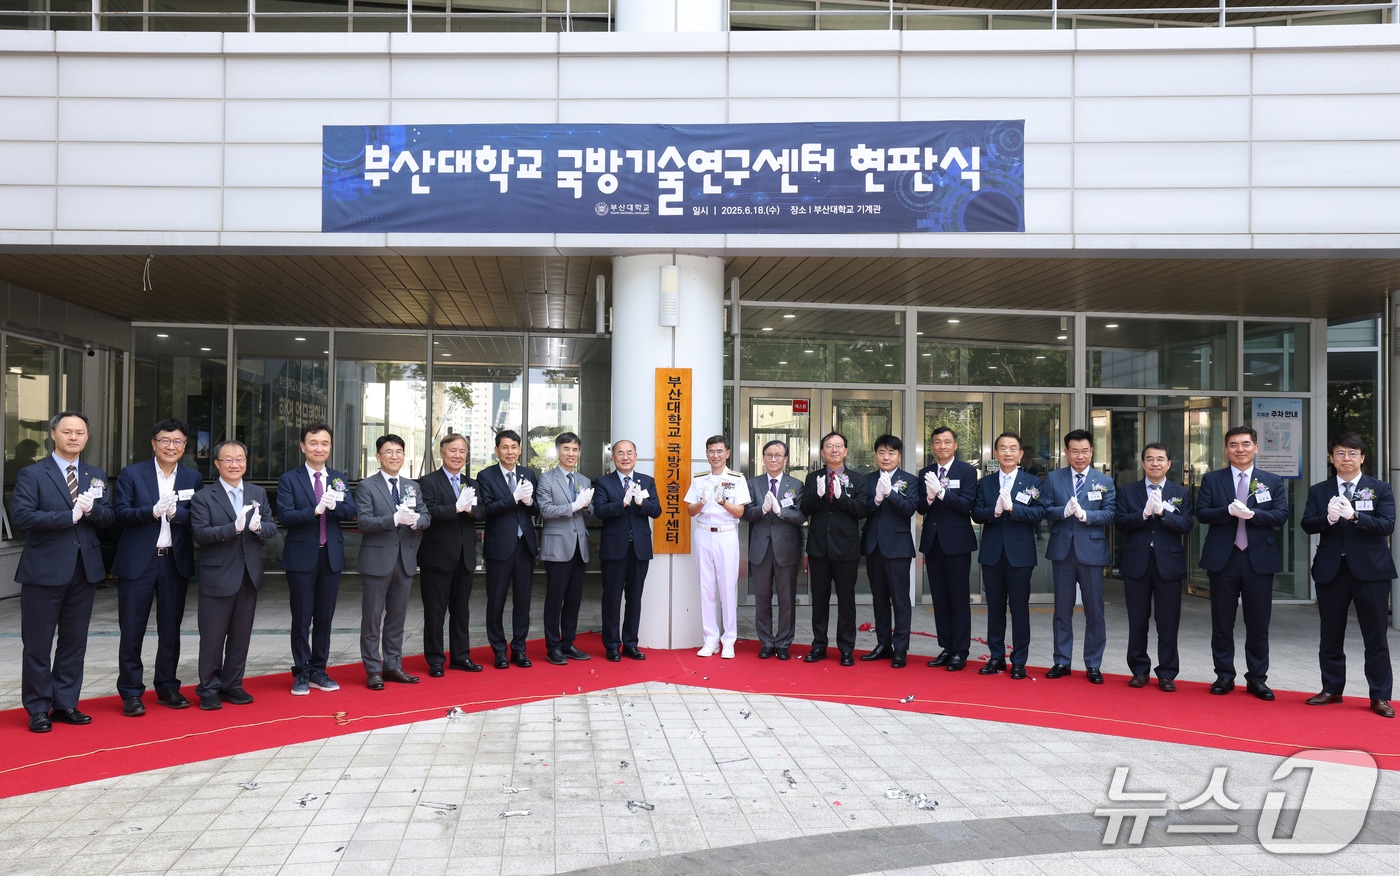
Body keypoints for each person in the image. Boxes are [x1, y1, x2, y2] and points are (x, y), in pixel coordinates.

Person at [12, 411, 114, 733]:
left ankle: (66, 703)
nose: (74, 437)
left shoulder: (95, 475)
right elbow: (22, 518)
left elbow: (108, 519)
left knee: (74, 642)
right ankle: (39, 708)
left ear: (87, 437)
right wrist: (66, 517)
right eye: (67, 431)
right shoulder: (32, 474)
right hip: (43, 571)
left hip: (84, 570)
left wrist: (93, 511)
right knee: (38, 643)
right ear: (53, 434)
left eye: (80, 432)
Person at [111, 418, 203, 716]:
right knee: (132, 629)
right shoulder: (132, 474)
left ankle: (167, 686)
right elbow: (120, 513)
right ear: (154, 443)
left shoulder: (192, 477)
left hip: (173, 562)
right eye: (165, 440)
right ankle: (131, 692)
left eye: (177, 441)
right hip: (139, 562)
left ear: (185, 446)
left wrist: (177, 515)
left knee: (170, 629)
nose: (171, 446)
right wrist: (150, 512)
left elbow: (198, 517)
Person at [1299, 433, 1395, 719]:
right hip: (1332, 570)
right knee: (1330, 634)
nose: (1346, 459)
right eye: (1340, 453)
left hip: (1371, 571)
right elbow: (1307, 524)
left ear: (1362, 457)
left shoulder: (1380, 488)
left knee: (1375, 636)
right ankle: (1331, 689)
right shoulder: (1320, 490)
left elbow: (1387, 525)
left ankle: (1380, 696)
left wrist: (1355, 517)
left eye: (1352, 454)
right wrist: (1328, 519)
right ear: (1331, 458)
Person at [1197, 425, 1289, 700]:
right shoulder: (1213, 479)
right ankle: (1224, 675)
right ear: (1226, 449)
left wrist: (1253, 515)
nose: (1240, 449)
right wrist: (1226, 511)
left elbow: (1281, 515)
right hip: (1223, 560)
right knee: (1222, 622)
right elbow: (1202, 513)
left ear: (1256, 448)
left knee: (1258, 623)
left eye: (1246, 444)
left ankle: (1257, 678)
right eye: (1234, 445)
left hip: (1258, 560)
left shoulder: (1271, 480)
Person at [189, 441, 275, 711]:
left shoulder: (257, 492)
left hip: (248, 575)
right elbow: (200, 534)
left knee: (241, 635)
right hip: (218, 577)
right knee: (213, 637)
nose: (235, 464)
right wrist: (233, 528)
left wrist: (260, 528)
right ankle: (209, 687)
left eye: (240, 459)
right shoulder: (204, 497)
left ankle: (233, 684)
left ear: (246, 463)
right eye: (228, 460)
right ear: (217, 464)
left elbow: (272, 527)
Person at [277, 422, 357, 696]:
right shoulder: (290, 479)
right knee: (301, 617)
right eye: (313, 443)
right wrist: (314, 510)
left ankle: (319, 670)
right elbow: (285, 516)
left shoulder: (337, 478)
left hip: (330, 556)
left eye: (324, 443)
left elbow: (351, 511)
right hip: (301, 557)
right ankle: (301, 671)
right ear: (303, 446)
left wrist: (335, 506)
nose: (319, 448)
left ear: (330, 447)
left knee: (324, 617)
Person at [1114, 443, 1194, 692]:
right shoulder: (1128, 491)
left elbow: (1186, 524)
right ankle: (1139, 670)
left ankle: (1167, 673)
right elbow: (1119, 522)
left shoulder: (1181, 492)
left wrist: (1163, 514)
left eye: (1160, 459)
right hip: (1137, 563)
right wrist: (1144, 515)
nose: (1155, 463)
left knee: (1168, 622)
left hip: (1168, 565)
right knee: (1138, 621)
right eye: (1150, 459)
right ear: (1143, 463)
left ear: (1169, 464)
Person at [355, 434, 429, 690]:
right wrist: (393, 519)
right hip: (377, 561)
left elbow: (426, 516)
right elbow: (363, 522)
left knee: (397, 618)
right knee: (372, 618)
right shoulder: (367, 486)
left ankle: (393, 665)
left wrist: (416, 521)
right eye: (389, 452)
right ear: (378, 457)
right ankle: (373, 669)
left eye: (398, 451)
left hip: (405, 560)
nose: (394, 456)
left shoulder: (412, 486)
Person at [1042, 429, 1116, 684]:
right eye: (1074, 451)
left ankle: (1093, 664)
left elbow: (1110, 513)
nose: (1080, 456)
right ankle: (1061, 661)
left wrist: (1087, 515)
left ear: (1092, 451)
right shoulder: (1053, 478)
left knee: (1094, 611)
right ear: (1066, 453)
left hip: (1092, 552)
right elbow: (1045, 509)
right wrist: (1062, 511)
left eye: (1085, 451)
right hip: (1063, 551)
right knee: (1062, 610)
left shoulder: (1104, 481)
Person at [971, 431, 1046, 680]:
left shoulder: (1032, 483)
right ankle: (996, 657)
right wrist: (993, 511)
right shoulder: (986, 483)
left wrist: (1014, 509)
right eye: (1003, 448)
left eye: (1013, 448)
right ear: (995, 453)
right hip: (992, 554)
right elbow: (977, 514)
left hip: (1020, 555)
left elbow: (1039, 514)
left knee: (1019, 609)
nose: (1008, 453)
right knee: (994, 608)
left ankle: (1019, 661)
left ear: (1021, 454)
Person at [800, 431, 871, 667]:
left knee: (846, 601)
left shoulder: (858, 480)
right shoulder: (813, 478)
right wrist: (819, 496)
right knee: (819, 600)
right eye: (829, 446)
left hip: (846, 549)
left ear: (846, 451)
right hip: (819, 548)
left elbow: (861, 510)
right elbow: (805, 508)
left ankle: (846, 648)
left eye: (838, 446)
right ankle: (819, 645)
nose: (834, 450)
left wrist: (842, 498)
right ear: (822, 452)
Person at [417, 433, 482, 675]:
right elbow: (429, 512)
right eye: (453, 450)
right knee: (435, 612)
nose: (458, 455)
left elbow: (482, 510)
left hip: (465, 557)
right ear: (442, 452)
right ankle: (435, 660)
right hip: (437, 558)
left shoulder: (471, 483)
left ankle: (460, 656)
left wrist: (471, 510)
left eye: (462, 451)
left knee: (461, 611)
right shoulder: (428, 481)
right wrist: (456, 508)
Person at [591, 440, 661, 661]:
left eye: (629, 453)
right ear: (613, 458)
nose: (625, 457)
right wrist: (621, 504)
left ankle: (631, 643)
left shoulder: (646, 481)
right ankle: (612, 644)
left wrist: (641, 503)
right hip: (614, 549)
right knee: (611, 598)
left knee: (635, 598)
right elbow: (599, 511)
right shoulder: (603, 482)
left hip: (639, 549)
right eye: (620, 453)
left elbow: (657, 510)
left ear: (636, 456)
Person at [476, 429, 540, 669]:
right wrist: (513, 498)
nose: (510, 452)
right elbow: (487, 509)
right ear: (497, 450)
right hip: (499, 547)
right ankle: (499, 651)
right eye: (505, 447)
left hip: (524, 546)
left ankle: (519, 649)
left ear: (520, 449)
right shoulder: (486, 476)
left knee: (523, 601)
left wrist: (530, 502)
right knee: (496, 601)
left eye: (514, 447)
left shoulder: (528, 473)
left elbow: (535, 511)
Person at [916, 426, 978, 671]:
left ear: (955, 445)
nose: (942, 446)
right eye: (937, 442)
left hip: (957, 544)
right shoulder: (926, 472)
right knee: (940, 598)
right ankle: (946, 646)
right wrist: (930, 498)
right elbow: (921, 507)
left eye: (947, 442)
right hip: (933, 542)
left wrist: (942, 493)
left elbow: (966, 506)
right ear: (932, 446)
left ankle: (961, 651)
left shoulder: (967, 471)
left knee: (958, 598)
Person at [685, 435, 751, 659]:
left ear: (728, 453)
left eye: (720, 451)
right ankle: (710, 639)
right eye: (711, 451)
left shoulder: (737, 479)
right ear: (706, 454)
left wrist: (723, 502)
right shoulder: (699, 478)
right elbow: (690, 511)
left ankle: (729, 640)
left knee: (727, 589)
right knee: (706, 589)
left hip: (726, 535)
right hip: (703, 533)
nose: (716, 455)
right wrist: (702, 502)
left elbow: (741, 512)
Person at [743, 439, 805, 660]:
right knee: (762, 598)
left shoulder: (796, 485)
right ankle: (767, 641)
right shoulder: (753, 483)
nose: (773, 459)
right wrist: (762, 509)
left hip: (786, 549)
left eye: (778, 455)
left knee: (787, 598)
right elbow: (745, 513)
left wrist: (780, 512)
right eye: (769, 455)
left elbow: (800, 516)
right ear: (763, 458)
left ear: (786, 459)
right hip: (761, 548)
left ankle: (784, 642)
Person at [537, 432, 595, 665]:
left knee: (574, 599)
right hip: (557, 546)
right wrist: (573, 505)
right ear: (558, 451)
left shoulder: (584, 480)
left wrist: (587, 506)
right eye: (566, 449)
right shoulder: (546, 479)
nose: (571, 454)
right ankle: (552, 647)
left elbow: (590, 513)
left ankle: (568, 642)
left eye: (575, 450)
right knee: (555, 599)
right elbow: (545, 510)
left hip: (579, 547)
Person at [860, 434, 917, 668]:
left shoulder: (909, 480)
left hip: (898, 548)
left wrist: (890, 494)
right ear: (876, 455)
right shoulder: (867, 480)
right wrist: (875, 500)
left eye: (891, 453)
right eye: (882, 452)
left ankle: (901, 648)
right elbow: (861, 510)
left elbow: (910, 509)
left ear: (899, 456)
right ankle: (884, 644)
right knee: (880, 599)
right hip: (874, 547)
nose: (886, 457)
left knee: (901, 599)